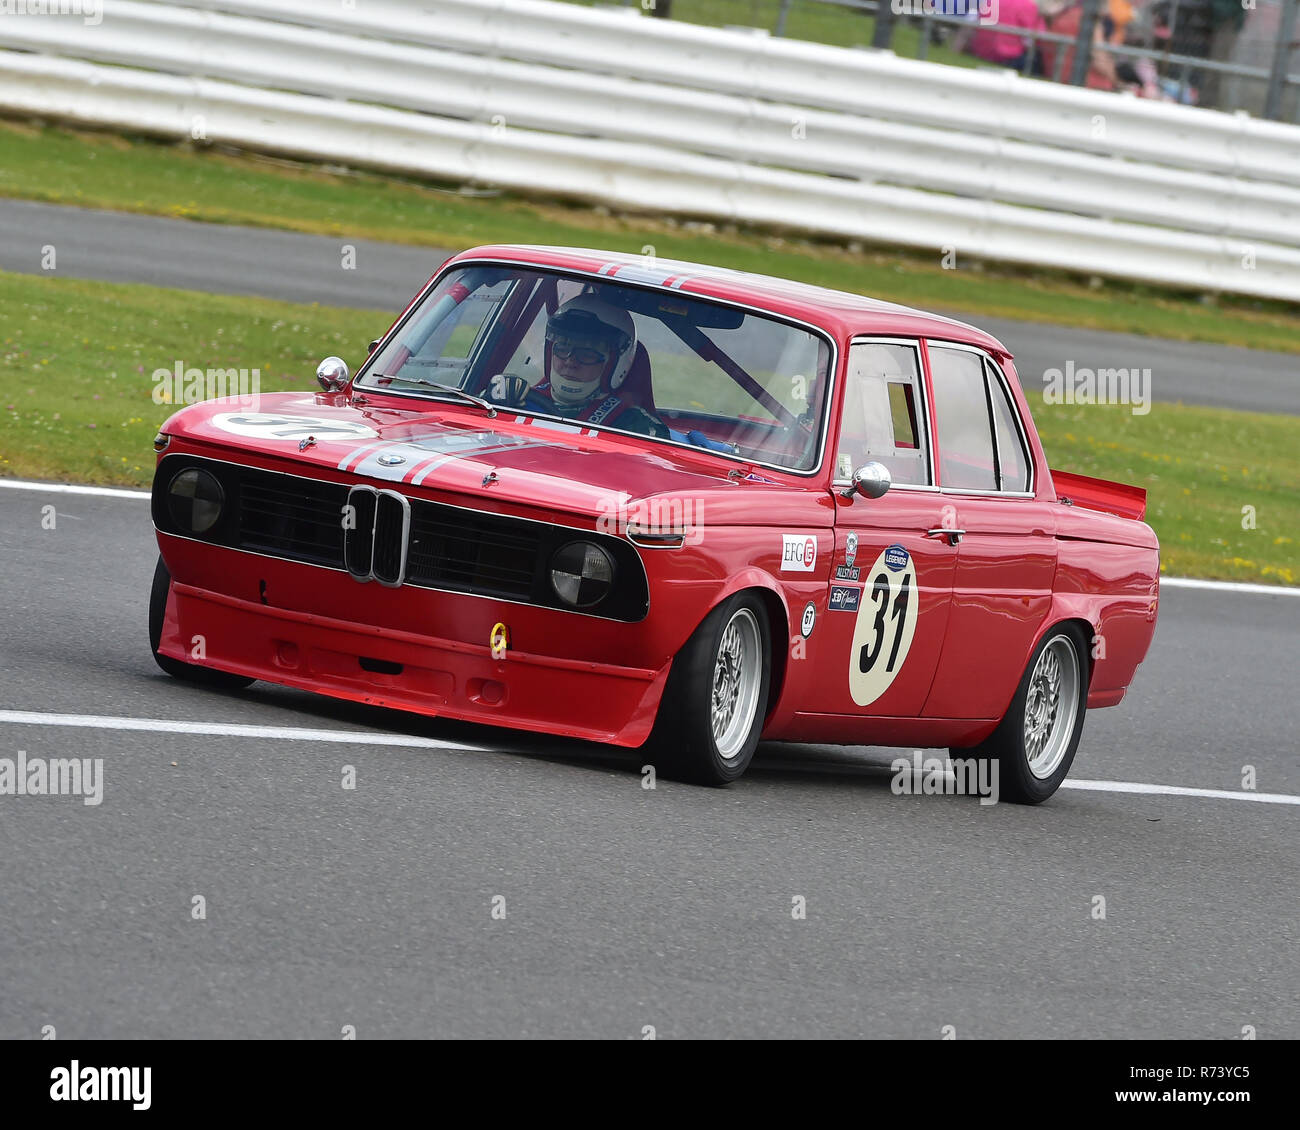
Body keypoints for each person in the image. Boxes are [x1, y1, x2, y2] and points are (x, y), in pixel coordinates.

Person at [499, 294, 669, 438]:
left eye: (587, 354)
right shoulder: (514, 399)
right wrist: (492, 402)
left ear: (614, 363)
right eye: (563, 348)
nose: (570, 362)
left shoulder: (634, 424)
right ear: (550, 351)